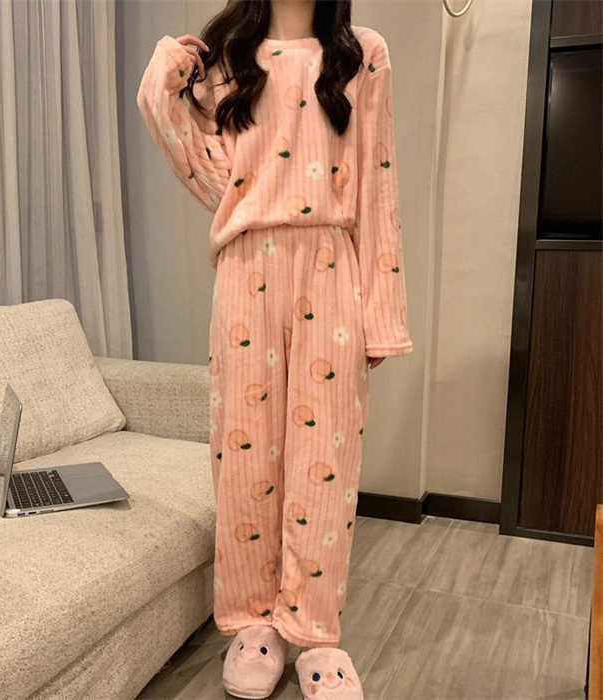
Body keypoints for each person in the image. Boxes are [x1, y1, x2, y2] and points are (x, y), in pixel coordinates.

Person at [137, 1, 413, 697]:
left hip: (331, 262)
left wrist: (380, 312)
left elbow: (377, 184)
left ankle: (315, 633)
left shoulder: (362, 55)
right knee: (243, 455)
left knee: (327, 462)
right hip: (245, 269)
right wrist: (165, 79)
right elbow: (214, 179)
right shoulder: (229, 63)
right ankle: (255, 624)